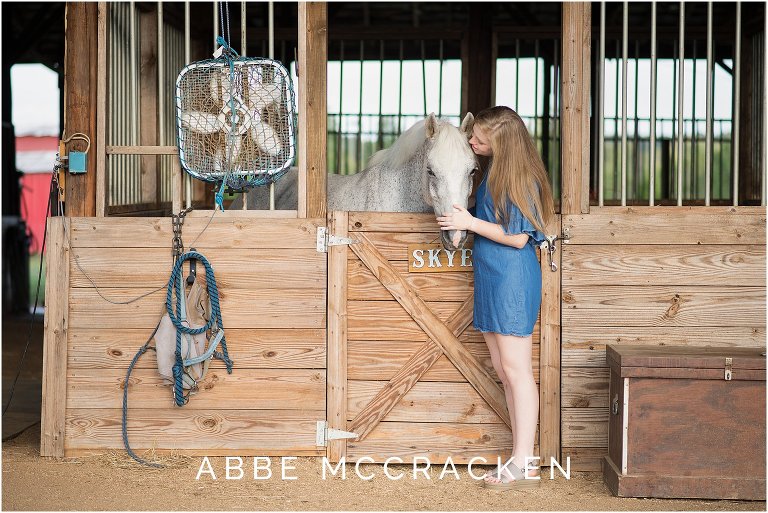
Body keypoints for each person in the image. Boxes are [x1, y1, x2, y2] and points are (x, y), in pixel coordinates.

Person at [436, 106, 555, 490]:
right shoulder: (492, 175)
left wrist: (468, 223)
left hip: (512, 280)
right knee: (505, 371)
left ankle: (524, 460)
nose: (472, 141)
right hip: (491, 278)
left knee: (517, 372)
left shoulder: (522, 179)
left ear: (499, 141)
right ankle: (521, 458)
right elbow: (486, 215)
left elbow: (518, 237)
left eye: (479, 138)